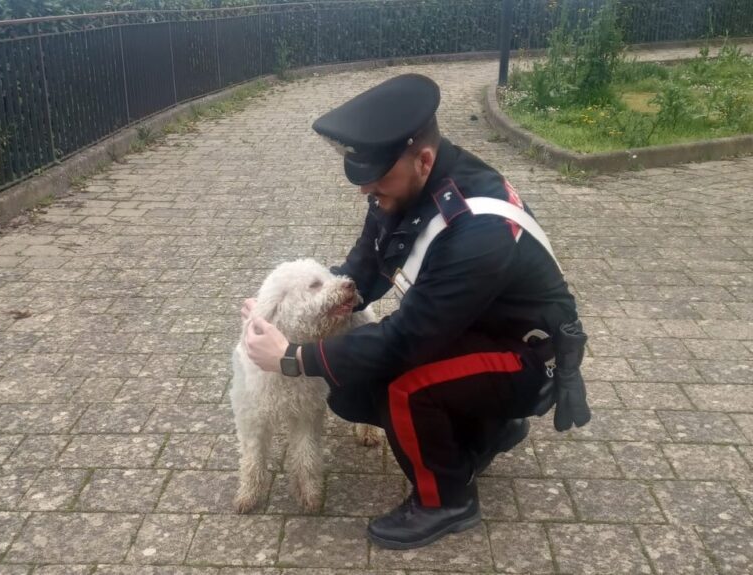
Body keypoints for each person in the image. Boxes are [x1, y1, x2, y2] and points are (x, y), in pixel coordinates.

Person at [243, 73, 588, 550]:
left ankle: (445, 500)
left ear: (423, 160)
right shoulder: (401, 188)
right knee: (349, 383)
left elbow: (407, 338)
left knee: (403, 387)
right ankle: (488, 429)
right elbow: (361, 272)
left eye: (376, 180)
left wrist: (292, 358)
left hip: (526, 356)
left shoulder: (475, 230)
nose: (367, 192)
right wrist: (285, 316)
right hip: (477, 330)